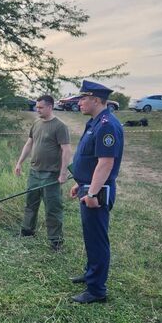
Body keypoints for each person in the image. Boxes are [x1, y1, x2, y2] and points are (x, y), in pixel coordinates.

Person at [69, 80, 124, 304]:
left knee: (97, 238)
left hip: (99, 191)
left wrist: (91, 193)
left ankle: (97, 290)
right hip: (88, 185)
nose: (79, 102)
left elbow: (105, 163)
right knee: (90, 236)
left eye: (83, 98)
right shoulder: (95, 122)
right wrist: (80, 182)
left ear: (96, 99)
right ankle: (91, 274)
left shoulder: (107, 125)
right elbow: (90, 159)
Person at [14, 95, 71, 251]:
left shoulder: (60, 126)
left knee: (53, 208)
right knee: (30, 204)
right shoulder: (37, 123)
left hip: (51, 174)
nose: (36, 109)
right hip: (34, 172)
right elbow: (29, 143)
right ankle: (27, 231)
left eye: (40, 107)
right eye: (36, 107)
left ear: (50, 107)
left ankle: (55, 241)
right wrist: (19, 162)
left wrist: (63, 172)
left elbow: (66, 150)